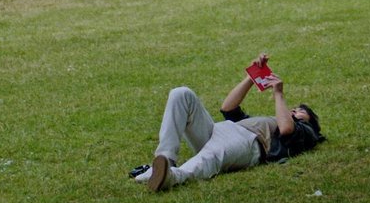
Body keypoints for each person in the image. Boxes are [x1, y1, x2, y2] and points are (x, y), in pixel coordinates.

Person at [133, 62, 324, 192]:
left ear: (310, 124)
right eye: (293, 109)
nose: (293, 111)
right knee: (181, 94)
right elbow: (228, 107)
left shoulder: (305, 133)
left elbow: (286, 129)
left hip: (246, 143)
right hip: (220, 129)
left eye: (300, 112)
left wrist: (279, 94)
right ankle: (166, 160)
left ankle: (171, 176)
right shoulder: (267, 121)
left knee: (208, 159)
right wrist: (253, 76)